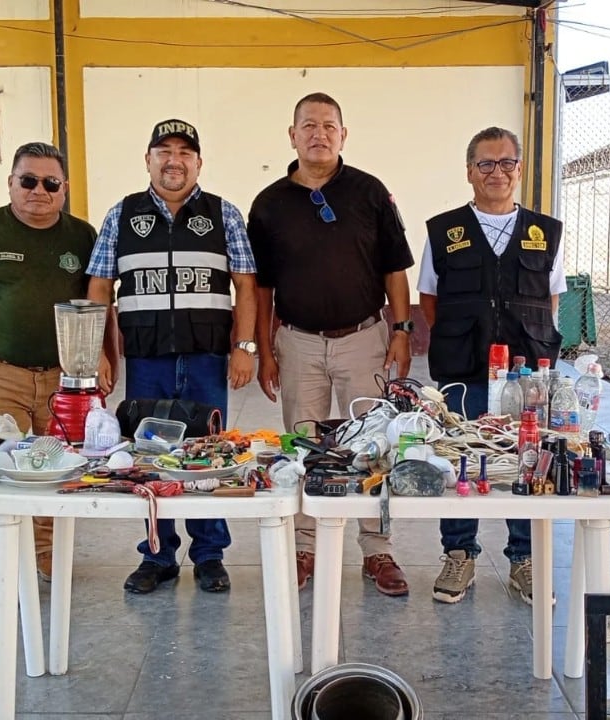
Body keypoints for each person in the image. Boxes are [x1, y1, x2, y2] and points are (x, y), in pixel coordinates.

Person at [249, 92, 415, 597]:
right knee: (303, 448)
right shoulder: (269, 203)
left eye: (329, 125)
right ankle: (306, 547)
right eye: (309, 125)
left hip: (364, 339)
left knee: (373, 447)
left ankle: (377, 549)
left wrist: (402, 333)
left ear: (343, 135)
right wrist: (264, 349)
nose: (319, 133)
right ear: (292, 135)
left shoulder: (370, 193)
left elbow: (395, 269)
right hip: (296, 343)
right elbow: (261, 287)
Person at [88, 119, 258, 595]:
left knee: (209, 453)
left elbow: (246, 285)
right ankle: (157, 556)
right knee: (148, 456)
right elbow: (99, 288)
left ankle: (209, 555)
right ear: (148, 160)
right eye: (163, 150)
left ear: (198, 163)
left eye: (185, 152)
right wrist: (101, 353)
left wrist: (245, 348)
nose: (173, 159)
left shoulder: (224, 215)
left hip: (206, 357)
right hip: (147, 360)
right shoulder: (121, 215)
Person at [0, 141, 103, 582]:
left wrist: (105, 356)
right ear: (10, 183)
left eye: (51, 183)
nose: (39, 191)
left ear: (64, 188)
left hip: (65, 377)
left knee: (58, 466)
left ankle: (46, 551)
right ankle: (1, 558)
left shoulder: (82, 236)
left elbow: (99, 301)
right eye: (27, 180)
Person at [418, 126, 567, 605]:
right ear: (469, 172)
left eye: (507, 163)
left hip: (527, 372)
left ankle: (523, 559)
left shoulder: (546, 231)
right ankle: (459, 555)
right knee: (462, 459)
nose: (497, 172)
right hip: (463, 368)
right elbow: (429, 298)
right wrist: (465, 336)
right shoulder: (444, 230)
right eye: (486, 163)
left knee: (525, 462)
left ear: (519, 170)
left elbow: (552, 297)